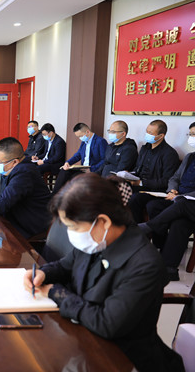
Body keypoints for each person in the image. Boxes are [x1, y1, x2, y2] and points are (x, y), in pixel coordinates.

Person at [24, 173, 184, 372]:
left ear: (103, 222)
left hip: (123, 359)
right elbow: (65, 265)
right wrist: (43, 273)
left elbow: (107, 323)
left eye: (74, 227)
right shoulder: (96, 241)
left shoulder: (145, 265)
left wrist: (55, 293)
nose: (72, 234)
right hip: (81, 340)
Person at [137, 122, 195, 281]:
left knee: (182, 205)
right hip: (180, 200)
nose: (191, 138)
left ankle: (149, 226)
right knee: (157, 208)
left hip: (188, 202)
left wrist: (181, 197)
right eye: (190, 134)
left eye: (194, 134)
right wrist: (172, 190)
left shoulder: (168, 153)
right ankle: (167, 267)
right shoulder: (190, 157)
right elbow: (175, 177)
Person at [127, 120, 180, 222]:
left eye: (150, 133)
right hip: (140, 185)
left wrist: (141, 183)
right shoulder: (145, 148)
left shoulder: (169, 153)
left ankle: (138, 228)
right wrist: (128, 175)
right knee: (116, 188)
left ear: (161, 136)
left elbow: (166, 180)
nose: (147, 135)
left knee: (135, 198)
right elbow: (137, 169)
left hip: (156, 190)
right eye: (147, 131)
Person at [53, 123, 108, 193]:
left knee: (74, 178)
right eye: (78, 137)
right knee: (64, 171)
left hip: (93, 169)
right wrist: (68, 162)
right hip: (83, 168)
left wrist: (92, 169)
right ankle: (55, 195)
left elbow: (104, 160)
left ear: (87, 132)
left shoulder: (100, 141)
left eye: (81, 136)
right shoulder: (84, 142)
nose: (80, 138)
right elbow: (78, 155)